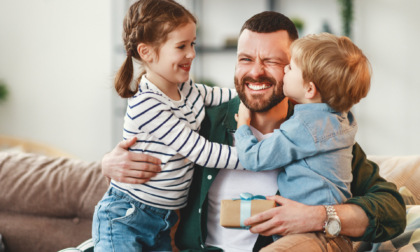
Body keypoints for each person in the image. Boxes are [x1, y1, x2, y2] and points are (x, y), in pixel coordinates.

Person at [101, 11, 406, 252]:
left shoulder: (321, 137)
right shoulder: (203, 121)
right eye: (245, 59)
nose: (255, 71)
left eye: (272, 62)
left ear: (298, 72)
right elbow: (135, 187)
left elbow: (392, 209)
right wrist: (107, 165)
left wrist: (320, 216)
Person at [92, 0, 242, 251]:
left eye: (192, 44)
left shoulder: (187, 88)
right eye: (181, 46)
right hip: (127, 216)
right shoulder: (147, 105)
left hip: (162, 220)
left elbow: (223, 95)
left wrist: (256, 89)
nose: (192, 53)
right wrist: (256, 156)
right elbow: (200, 151)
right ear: (147, 52)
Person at [233, 32, 371, 250]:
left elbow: (253, 158)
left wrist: (243, 124)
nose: (285, 70)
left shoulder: (306, 126)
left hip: (314, 235)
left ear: (309, 88)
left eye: (290, 68)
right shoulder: (340, 119)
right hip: (334, 235)